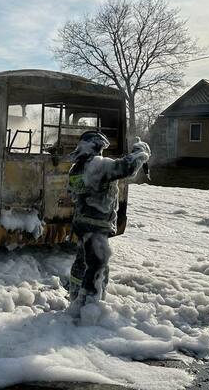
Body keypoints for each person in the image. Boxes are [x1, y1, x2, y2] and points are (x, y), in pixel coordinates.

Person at [67, 131, 151, 316]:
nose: (102, 152)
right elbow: (126, 167)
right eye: (101, 148)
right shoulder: (96, 165)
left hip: (81, 223)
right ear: (96, 146)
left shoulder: (77, 168)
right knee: (96, 266)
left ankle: (75, 297)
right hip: (96, 225)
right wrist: (140, 151)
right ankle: (89, 309)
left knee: (82, 262)